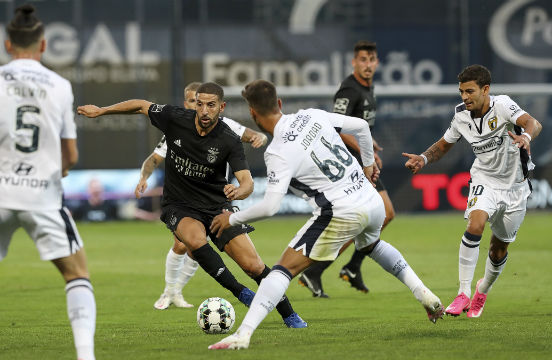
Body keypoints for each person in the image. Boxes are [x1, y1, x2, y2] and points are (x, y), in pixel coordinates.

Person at [208, 80, 444, 350]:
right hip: (370, 200)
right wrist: (368, 164)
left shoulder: (278, 152)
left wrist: (232, 219)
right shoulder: (310, 114)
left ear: (252, 113)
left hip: (340, 210)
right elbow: (362, 127)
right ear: (280, 103)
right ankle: (424, 294)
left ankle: (243, 334)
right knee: (372, 245)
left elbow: (270, 207)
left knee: (282, 270)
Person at [78, 82, 306, 328]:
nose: (204, 111)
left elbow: (247, 182)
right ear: (194, 104)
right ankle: (239, 292)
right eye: (200, 104)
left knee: (253, 265)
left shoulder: (229, 139)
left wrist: (239, 192)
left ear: (221, 107)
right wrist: (102, 111)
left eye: (211, 105)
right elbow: (141, 106)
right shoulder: (176, 119)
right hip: (179, 204)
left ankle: (289, 313)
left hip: (216, 206)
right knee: (195, 241)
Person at [0, 5, 96, 360]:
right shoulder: (61, 85)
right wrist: (63, 167)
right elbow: (71, 155)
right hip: (42, 196)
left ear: (8, 45)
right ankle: (85, 356)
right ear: (44, 45)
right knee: (77, 273)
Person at [402, 64, 542, 318]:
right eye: (461, 92)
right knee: (474, 225)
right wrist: (423, 158)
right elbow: (444, 145)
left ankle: (482, 290)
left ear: (485, 89)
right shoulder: (460, 116)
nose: (464, 97)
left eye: (469, 91)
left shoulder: (502, 105)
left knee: (498, 250)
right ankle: (463, 292)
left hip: (515, 188)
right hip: (484, 180)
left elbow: (533, 123)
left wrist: (527, 138)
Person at [135, 81, 268, 310]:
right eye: (192, 102)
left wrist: (260, 137)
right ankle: (171, 291)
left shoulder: (226, 127)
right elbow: (154, 158)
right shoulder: (178, 127)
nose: (197, 108)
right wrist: (143, 177)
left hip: (216, 202)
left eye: (205, 103)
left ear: (219, 106)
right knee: (184, 245)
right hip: (184, 202)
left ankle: (176, 291)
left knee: (233, 259)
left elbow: (252, 135)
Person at [299, 40, 393, 297]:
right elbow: (336, 129)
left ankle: (348, 267)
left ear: (377, 62)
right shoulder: (348, 90)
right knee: (374, 216)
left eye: (372, 59)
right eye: (363, 59)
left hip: (362, 160)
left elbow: (356, 125)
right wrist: (366, 153)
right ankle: (318, 270)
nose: (368, 64)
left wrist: (369, 142)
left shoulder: (368, 88)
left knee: (385, 214)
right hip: (350, 164)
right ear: (354, 62)